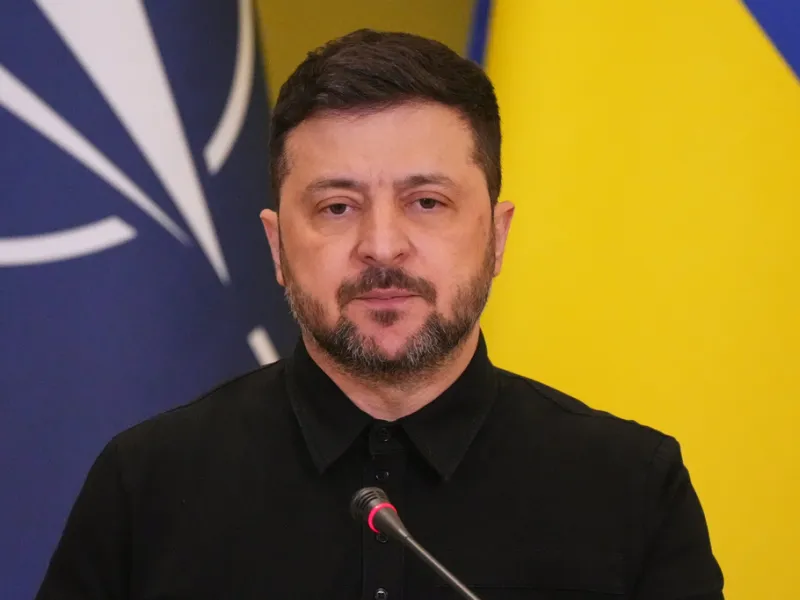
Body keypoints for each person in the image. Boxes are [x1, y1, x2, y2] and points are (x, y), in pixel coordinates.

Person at [35, 29, 724, 600]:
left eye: (427, 202)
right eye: (337, 207)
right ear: (277, 247)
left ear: (497, 236)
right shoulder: (147, 486)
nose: (383, 245)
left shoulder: (633, 490)